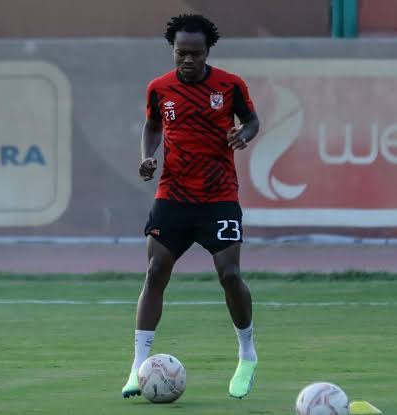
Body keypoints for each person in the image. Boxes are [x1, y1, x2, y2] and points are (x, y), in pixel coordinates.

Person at [121, 14, 260, 400]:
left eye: (195, 54)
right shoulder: (158, 89)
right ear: (173, 49)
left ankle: (247, 353)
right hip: (174, 194)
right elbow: (152, 126)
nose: (187, 60)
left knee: (229, 274)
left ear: (207, 52)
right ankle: (137, 366)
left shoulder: (230, 86)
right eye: (181, 52)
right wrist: (148, 157)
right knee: (155, 269)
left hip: (219, 196)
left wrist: (242, 134)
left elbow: (252, 120)